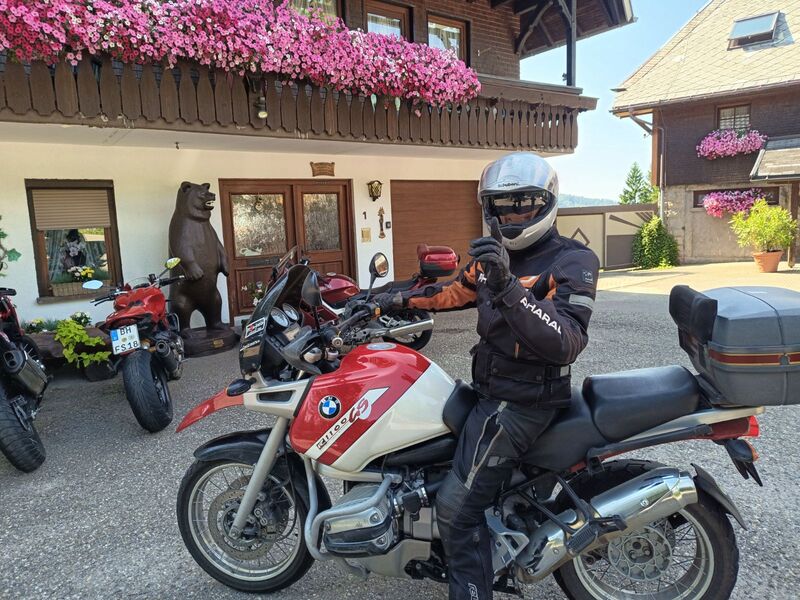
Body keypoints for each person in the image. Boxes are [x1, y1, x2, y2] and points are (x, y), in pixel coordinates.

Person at [373, 152, 599, 600]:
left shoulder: (574, 260)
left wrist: (507, 287)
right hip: (491, 391)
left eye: (524, 205)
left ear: (547, 202)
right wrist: (385, 299)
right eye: (501, 207)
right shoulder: (493, 258)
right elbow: (448, 292)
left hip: (521, 403)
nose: (513, 216)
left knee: (455, 511)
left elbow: (567, 340)